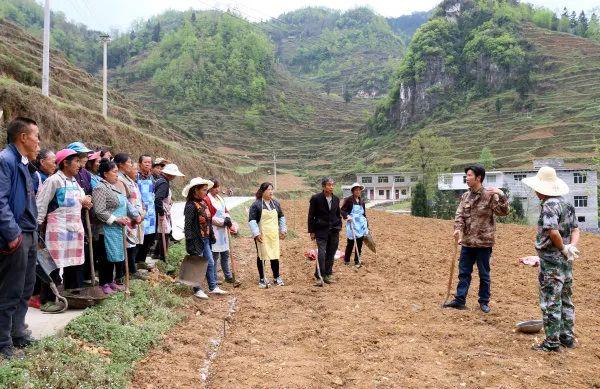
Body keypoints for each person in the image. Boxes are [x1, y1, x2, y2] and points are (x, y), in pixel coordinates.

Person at [521, 166, 581, 351]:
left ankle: (552, 342)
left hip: (552, 261)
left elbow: (553, 232)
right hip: (565, 261)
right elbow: (576, 230)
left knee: (551, 300)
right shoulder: (567, 204)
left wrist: (562, 248)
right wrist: (571, 248)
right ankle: (567, 337)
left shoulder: (549, 205)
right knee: (566, 298)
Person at [444, 164, 509, 313]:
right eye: (466, 176)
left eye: (469, 176)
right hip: (467, 242)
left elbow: (503, 212)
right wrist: (457, 230)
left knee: (484, 274)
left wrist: (502, 194)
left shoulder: (490, 195)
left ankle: (484, 302)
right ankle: (460, 300)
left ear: (478, 178)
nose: (467, 178)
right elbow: (460, 214)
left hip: (484, 243)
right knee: (464, 272)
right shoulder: (465, 196)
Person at [0, 117, 39, 359]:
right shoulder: (5, 161)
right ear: (23, 137)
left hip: (29, 233)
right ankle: (3, 343)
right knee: (9, 291)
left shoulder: (23, 162)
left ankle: (18, 332)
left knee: (26, 287)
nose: (39, 142)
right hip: (15, 236)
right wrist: (12, 234)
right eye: (36, 136)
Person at [36, 149, 92, 312]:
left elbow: (82, 198)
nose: (79, 165)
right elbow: (41, 204)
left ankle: (73, 295)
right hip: (58, 229)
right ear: (65, 163)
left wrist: (86, 201)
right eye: (75, 161)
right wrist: (37, 226)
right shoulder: (54, 181)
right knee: (53, 263)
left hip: (74, 229)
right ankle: (47, 299)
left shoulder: (75, 182)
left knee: (74, 263)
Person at [92, 160, 138, 295]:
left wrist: (134, 215)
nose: (117, 175)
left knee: (113, 256)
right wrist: (116, 219)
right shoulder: (100, 188)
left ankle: (111, 281)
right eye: (114, 172)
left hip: (117, 229)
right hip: (105, 229)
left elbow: (124, 204)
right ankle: (103, 283)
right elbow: (99, 211)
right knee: (105, 256)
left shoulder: (114, 187)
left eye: (118, 172)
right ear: (105, 174)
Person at [182, 177, 227, 299]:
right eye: (203, 190)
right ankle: (197, 289)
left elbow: (208, 221)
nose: (206, 192)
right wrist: (189, 241)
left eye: (207, 190)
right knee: (197, 263)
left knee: (210, 262)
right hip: (197, 239)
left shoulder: (204, 203)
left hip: (206, 238)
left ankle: (213, 287)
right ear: (195, 190)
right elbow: (188, 225)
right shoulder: (191, 205)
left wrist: (211, 235)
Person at [248, 182, 287, 288]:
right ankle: (262, 278)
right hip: (262, 235)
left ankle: (276, 277)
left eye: (272, 189)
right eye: (269, 189)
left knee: (275, 255)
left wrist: (283, 230)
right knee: (262, 256)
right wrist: (256, 233)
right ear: (263, 191)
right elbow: (252, 220)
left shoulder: (275, 203)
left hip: (273, 235)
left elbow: (281, 217)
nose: (271, 191)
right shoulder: (256, 205)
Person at [115, 153, 145, 281]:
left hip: (135, 218)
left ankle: (130, 271)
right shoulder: (119, 180)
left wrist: (142, 212)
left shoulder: (129, 179)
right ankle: (122, 275)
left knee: (132, 245)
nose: (132, 165)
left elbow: (138, 199)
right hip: (126, 218)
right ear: (121, 164)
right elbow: (124, 201)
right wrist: (136, 215)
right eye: (130, 163)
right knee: (126, 246)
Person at [308, 177, 342, 285]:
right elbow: (311, 216)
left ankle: (327, 274)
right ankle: (319, 276)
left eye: (332, 185)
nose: (331, 187)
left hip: (334, 230)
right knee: (321, 253)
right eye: (329, 185)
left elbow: (337, 214)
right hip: (321, 230)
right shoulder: (316, 198)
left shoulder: (336, 199)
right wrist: (312, 231)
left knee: (331, 253)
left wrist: (339, 226)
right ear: (323, 186)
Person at [205, 179, 237, 285]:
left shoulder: (220, 198)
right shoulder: (207, 200)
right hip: (214, 230)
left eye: (218, 187)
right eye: (216, 187)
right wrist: (222, 222)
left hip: (223, 231)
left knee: (225, 254)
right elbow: (210, 217)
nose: (218, 189)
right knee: (214, 256)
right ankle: (213, 277)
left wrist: (228, 220)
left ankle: (228, 276)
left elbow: (225, 211)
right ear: (211, 188)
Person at [154, 163, 184, 261]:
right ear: (170, 174)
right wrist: (161, 213)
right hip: (161, 211)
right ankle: (163, 257)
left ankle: (157, 253)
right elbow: (158, 199)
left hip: (162, 210)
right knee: (164, 233)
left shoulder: (161, 180)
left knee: (164, 232)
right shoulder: (163, 183)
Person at [135, 154, 156, 269]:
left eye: (150, 162)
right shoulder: (136, 177)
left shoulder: (151, 178)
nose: (148, 164)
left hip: (151, 211)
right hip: (140, 210)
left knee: (149, 237)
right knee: (139, 236)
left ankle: (141, 260)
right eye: (145, 162)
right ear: (139, 164)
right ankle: (135, 261)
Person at [341, 182, 368, 268]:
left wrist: (367, 225)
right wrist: (347, 216)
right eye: (356, 190)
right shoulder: (349, 200)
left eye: (359, 190)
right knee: (351, 243)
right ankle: (346, 260)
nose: (358, 191)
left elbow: (364, 214)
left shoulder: (361, 201)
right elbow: (342, 210)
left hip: (360, 224)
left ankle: (357, 260)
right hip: (352, 223)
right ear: (353, 191)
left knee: (359, 242)